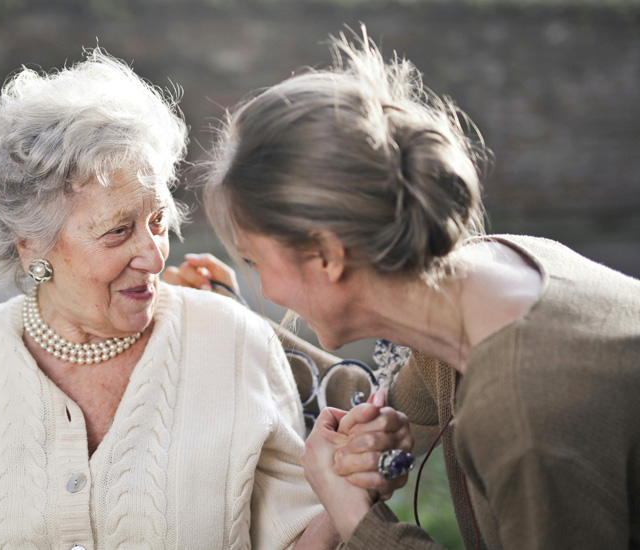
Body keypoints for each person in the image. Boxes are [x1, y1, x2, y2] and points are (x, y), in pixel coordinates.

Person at [0, 50, 411, 549]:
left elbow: (293, 539)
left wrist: (349, 486)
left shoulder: (234, 341)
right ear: (31, 244)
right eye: (117, 232)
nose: (155, 257)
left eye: (157, 221)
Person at [188, 29, 640, 550]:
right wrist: (369, 443)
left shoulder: (526, 417)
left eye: (254, 260)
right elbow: (386, 414)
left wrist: (359, 521)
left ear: (328, 256)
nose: (263, 286)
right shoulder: (490, 275)